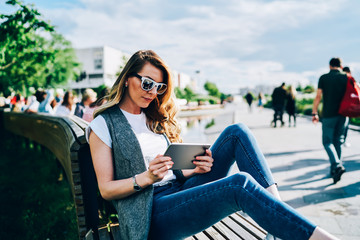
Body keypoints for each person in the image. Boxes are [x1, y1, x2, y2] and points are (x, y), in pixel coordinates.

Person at [87, 50, 338, 240]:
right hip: (149, 213)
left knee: (236, 132)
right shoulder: (104, 124)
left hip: (177, 191)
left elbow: (171, 170)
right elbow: (106, 190)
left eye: (159, 87)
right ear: (128, 78)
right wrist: (146, 177)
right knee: (239, 185)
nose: (153, 92)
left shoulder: (151, 117)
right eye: (147, 83)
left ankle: (277, 217)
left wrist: (193, 169)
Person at [312, 58, 348, 184]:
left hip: (329, 114)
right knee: (338, 140)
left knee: (327, 142)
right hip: (344, 114)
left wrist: (314, 112)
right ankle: (335, 170)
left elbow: (318, 96)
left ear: (329, 65)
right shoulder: (346, 77)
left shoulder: (324, 78)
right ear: (341, 65)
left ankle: (337, 165)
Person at [341, 66, 353, 147]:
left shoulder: (339, 80)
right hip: (348, 107)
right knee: (345, 125)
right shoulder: (351, 80)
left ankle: (340, 140)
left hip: (340, 106)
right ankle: (343, 140)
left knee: (341, 126)